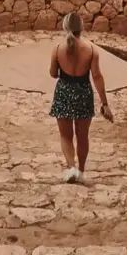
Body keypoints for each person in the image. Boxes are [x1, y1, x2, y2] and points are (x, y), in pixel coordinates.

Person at [49, 11, 113, 183]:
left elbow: (53, 74)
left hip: (63, 92)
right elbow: (97, 76)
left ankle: (71, 169)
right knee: (82, 135)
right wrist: (104, 103)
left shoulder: (57, 48)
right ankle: (82, 171)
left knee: (65, 135)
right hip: (84, 93)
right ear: (81, 27)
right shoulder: (91, 49)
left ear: (65, 27)